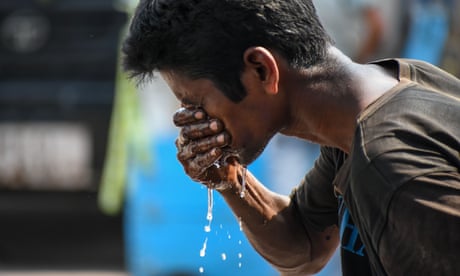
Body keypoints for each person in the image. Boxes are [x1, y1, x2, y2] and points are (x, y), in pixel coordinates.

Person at [122, 0, 460, 275]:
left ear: (261, 69)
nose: (193, 120)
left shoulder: (388, 164)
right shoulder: (361, 117)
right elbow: (305, 246)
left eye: (196, 103)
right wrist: (229, 177)